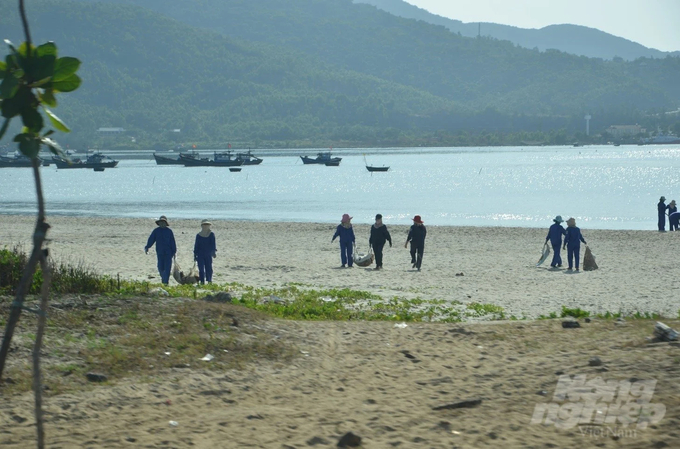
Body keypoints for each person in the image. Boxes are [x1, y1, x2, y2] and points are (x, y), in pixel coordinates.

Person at [145, 215, 177, 284]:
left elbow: (172, 242)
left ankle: (165, 282)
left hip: (168, 253)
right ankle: (163, 279)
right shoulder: (156, 231)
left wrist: (174, 252)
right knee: (160, 267)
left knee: (167, 268)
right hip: (160, 252)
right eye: (161, 222)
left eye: (163, 222)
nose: (162, 224)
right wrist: (147, 247)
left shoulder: (169, 231)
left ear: (166, 223)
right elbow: (151, 239)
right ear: (159, 223)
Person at [194, 219, 217, 284]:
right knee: (201, 269)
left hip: (208, 254)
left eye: (207, 225)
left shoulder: (211, 234)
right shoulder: (198, 235)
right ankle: (202, 282)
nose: (206, 226)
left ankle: (209, 281)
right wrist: (195, 255)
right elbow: (196, 245)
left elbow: (213, 244)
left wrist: (213, 252)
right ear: (202, 226)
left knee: (208, 268)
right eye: (204, 225)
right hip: (200, 254)